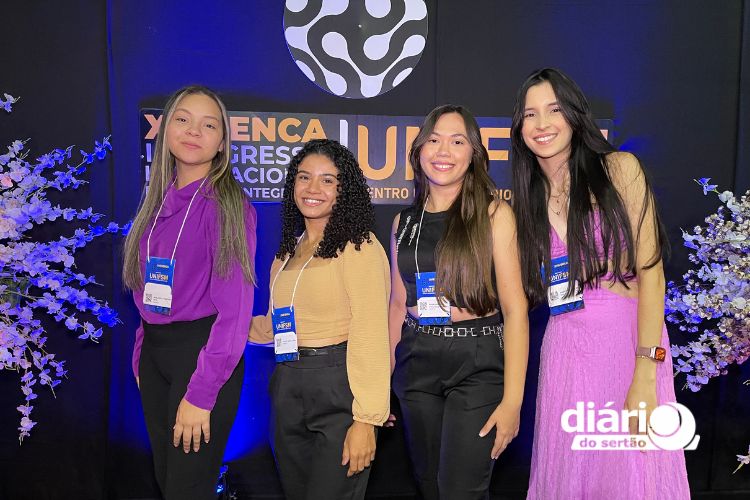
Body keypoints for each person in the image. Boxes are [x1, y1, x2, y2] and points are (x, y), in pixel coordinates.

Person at [510, 68, 690, 499]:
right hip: (565, 353)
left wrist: (645, 372)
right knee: (569, 473)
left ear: (574, 116)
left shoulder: (619, 169)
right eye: (530, 114)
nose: (542, 123)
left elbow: (652, 273)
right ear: (519, 127)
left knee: (630, 474)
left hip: (626, 347)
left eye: (554, 110)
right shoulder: (528, 198)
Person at [122, 85, 256, 500]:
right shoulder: (155, 201)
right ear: (165, 130)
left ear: (222, 143)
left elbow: (235, 314)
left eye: (208, 125)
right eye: (183, 119)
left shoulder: (227, 205)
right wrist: (142, 354)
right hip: (155, 356)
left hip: (201, 357)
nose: (193, 131)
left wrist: (201, 393)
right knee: (169, 484)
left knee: (187, 489)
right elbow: (148, 290)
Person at [389, 104, 529, 500]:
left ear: (474, 154)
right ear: (419, 150)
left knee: (461, 490)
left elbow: (516, 310)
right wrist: (381, 384)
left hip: (477, 362)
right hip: (416, 361)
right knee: (429, 486)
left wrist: (513, 402)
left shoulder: (494, 214)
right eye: (434, 140)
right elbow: (397, 305)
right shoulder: (403, 223)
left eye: (457, 141)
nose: (443, 151)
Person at [249, 139, 391, 500]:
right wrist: (215, 322)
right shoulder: (286, 254)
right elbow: (273, 326)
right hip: (287, 385)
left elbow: (371, 333)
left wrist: (367, 419)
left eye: (327, 180)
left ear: (345, 191)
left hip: (339, 388)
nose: (313, 188)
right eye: (304, 177)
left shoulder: (359, 247)